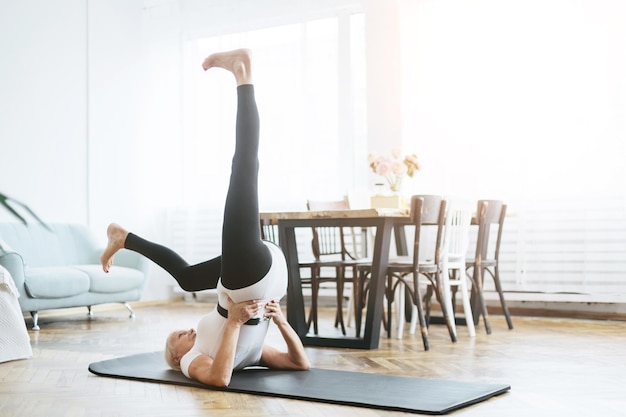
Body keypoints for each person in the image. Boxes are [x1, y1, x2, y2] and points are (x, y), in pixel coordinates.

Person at [99, 49, 310, 387]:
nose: (185, 331)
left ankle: (124, 238)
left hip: (251, 274)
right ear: (178, 357)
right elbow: (292, 366)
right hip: (259, 279)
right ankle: (243, 72)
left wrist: (233, 323)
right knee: (244, 169)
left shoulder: (201, 349)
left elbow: (227, 369)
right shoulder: (194, 362)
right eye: (177, 338)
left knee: (187, 279)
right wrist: (281, 323)